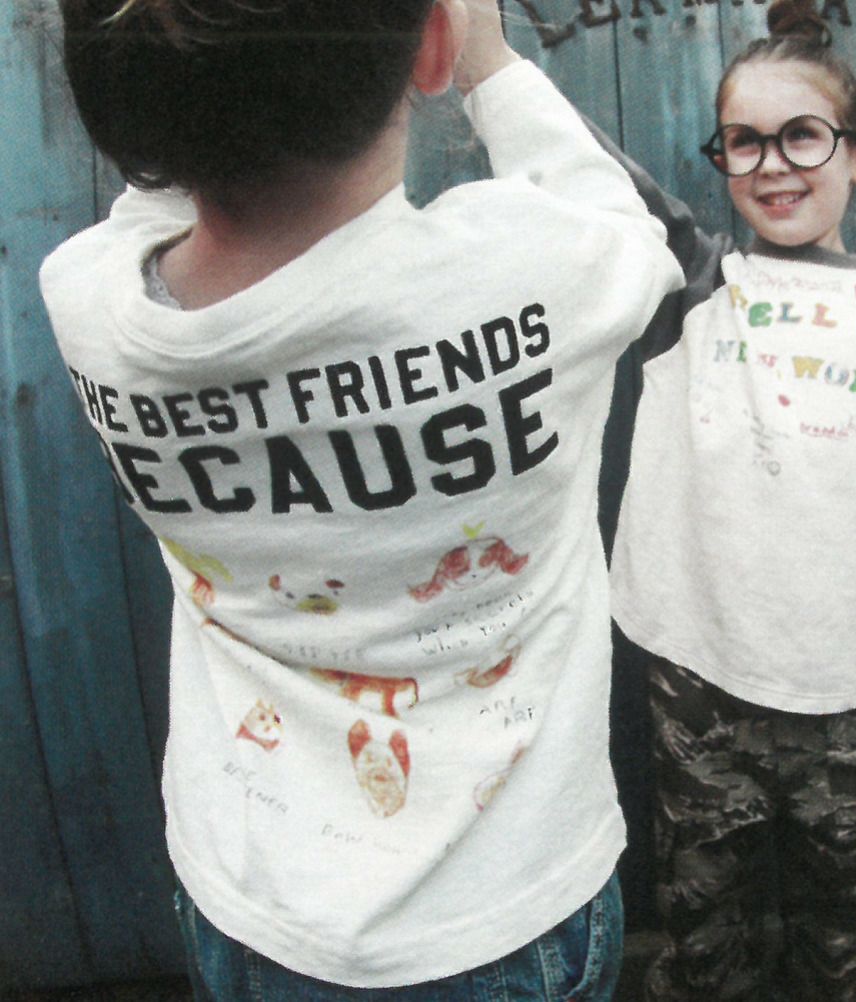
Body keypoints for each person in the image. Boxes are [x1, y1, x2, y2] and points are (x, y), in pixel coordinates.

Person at [41, 1, 684, 998]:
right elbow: (628, 226)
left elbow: (161, 178)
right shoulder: (531, 272)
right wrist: (492, 63)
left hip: (251, 905)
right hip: (502, 914)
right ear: (431, 44)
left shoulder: (88, 302)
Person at [605, 1, 856, 999]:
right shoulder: (700, 284)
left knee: (839, 918)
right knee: (703, 919)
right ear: (723, 158)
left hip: (854, 681)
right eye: (745, 141)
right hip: (703, 678)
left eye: (802, 136)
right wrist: (490, 75)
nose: (773, 164)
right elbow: (610, 182)